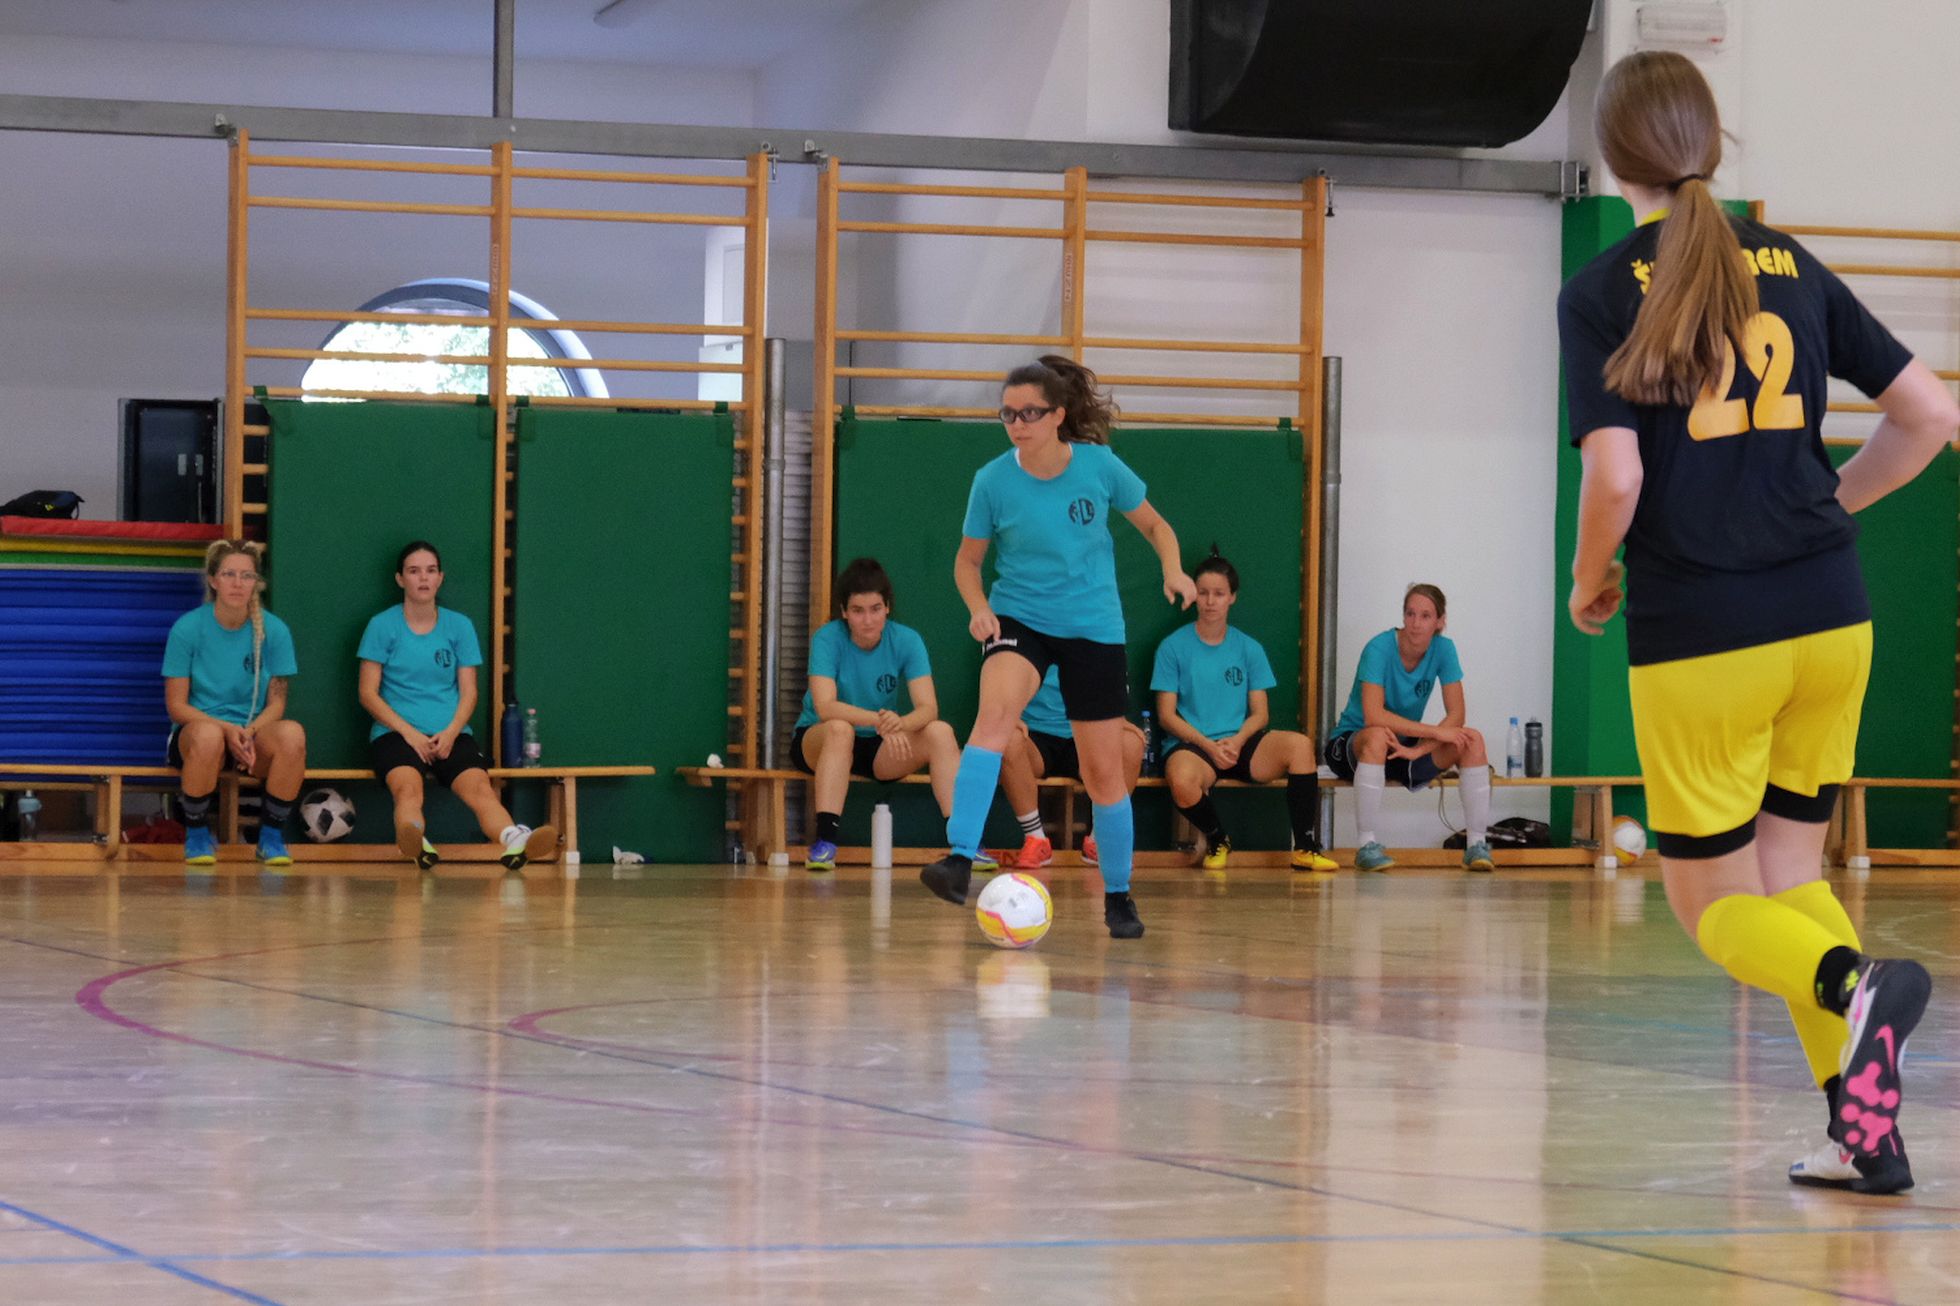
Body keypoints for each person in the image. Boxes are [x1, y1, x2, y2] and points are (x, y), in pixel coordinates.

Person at [1560, 52, 1957, 1194]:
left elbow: (1617, 477)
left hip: (1706, 631)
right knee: (1790, 870)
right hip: (1831, 616)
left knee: (1714, 904)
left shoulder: (1601, 290)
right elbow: (1930, 416)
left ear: (1612, 156)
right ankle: (1863, 1134)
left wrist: (1588, 581)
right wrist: (1827, 505)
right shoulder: (1789, 261)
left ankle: (1854, 986)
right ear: (1711, 139)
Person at [920, 356, 1196, 939]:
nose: (1017, 424)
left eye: (1030, 413)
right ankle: (959, 858)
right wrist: (979, 609)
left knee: (1103, 772)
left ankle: (1118, 897)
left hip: (1093, 627)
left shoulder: (1098, 465)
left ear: (1058, 415)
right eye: (1008, 414)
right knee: (994, 718)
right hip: (1020, 616)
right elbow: (968, 562)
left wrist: (1173, 569)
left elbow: (1156, 526)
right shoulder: (992, 480)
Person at [357, 541, 558, 872]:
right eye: (414, 571)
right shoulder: (382, 625)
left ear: (440, 578)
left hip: (450, 734)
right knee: (408, 789)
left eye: (430, 570)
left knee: (479, 789)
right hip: (396, 735)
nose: (423, 578)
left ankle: (514, 839)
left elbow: (469, 693)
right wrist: (409, 734)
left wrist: (451, 732)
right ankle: (415, 840)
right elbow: (367, 693)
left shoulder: (459, 626)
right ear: (400, 579)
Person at [1152, 550, 1337, 872]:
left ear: (1232, 598)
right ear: (1194, 595)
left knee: (1299, 745)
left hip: (1240, 742)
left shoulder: (1249, 648)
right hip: (1195, 745)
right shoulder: (1173, 647)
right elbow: (1166, 716)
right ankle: (1218, 839)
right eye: (1204, 593)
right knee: (1181, 779)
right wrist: (1210, 746)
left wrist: (1236, 741)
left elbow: (1260, 714)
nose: (1211, 601)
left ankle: (1305, 849)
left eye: (1219, 593)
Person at [792, 557, 963, 872]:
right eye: (858, 611)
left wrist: (901, 723)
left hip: (879, 746)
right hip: (820, 739)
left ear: (887, 608)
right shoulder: (828, 639)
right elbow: (825, 707)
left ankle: (964, 844)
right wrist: (879, 720)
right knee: (840, 729)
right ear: (844, 612)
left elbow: (928, 708)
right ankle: (825, 842)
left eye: (875, 609)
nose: (868, 620)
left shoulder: (907, 640)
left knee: (940, 731)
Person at [1323, 584, 1492, 873]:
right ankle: (1366, 846)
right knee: (1378, 735)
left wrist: (1420, 750)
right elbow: (1374, 715)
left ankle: (1477, 845)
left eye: (1425, 616)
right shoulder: (1379, 647)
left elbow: (1457, 714)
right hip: (1354, 745)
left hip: (1403, 748)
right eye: (1410, 614)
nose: (1415, 623)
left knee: (1471, 739)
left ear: (1440, 622)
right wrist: (1434, 733)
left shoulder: (1444, 648)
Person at [161, 539, 306, 866]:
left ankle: (271, 837)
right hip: (200, 734)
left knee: (292, 735)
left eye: (247, 575)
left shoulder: (275, 631)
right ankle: (197, 834)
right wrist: (227, 730)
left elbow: (277, 704)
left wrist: (249, 732)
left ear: (256, 583)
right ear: (214, 580)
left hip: (252, 735)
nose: (238, 583)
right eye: (229, 574)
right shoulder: (187, 628)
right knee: (208, 736)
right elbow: (177, 707)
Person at [991, 665, 1145, 869]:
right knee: (1007, 740)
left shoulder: (1096, 644)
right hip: (1033, 735)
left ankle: (1100, 841)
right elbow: (1000, 675)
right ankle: (1035, 839)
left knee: (1131, 743)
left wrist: (1116, 716)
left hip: (1086, 733)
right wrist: (1008, 715)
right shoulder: (1023, 645)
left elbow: (1110, 674)